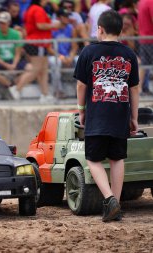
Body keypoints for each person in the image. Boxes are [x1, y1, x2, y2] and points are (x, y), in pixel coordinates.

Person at [74, 10, 139, 222]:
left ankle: (110, 199)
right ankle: (115, 205)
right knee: (117, 158)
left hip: (97, 116)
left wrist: (81, 110)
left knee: (93, 160)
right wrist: (134, 117)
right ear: (120, 30)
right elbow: (135, 89)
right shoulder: (129, 55)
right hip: (120, 114)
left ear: (100, 29)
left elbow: (81, 84)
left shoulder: (88, 52)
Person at [10, 0, 60, 102]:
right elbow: (40, 25)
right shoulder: (37, 9)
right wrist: (54, 25)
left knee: (44, 70)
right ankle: (17, 88)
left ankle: (45, 94)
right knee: (36, 69)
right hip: (37, 43)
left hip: (40, 43)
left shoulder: (31, 9)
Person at [0, 11, 25, 92]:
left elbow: (18, 53)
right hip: (0, 60)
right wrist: (6, 65)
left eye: (4, 23)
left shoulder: (16, 34)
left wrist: (14, 64)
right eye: (0, 22)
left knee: (30, 68)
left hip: (13, 59)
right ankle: (9, 84)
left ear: (9, 23)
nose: (1, 25)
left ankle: (15, 85)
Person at [138, 0, 153, 95]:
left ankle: (139, 88)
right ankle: (139, 88)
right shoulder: (151, 2)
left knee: (144, 64)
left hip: (143, 37)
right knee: (145, 65)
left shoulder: (141, 2)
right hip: (150, 37)